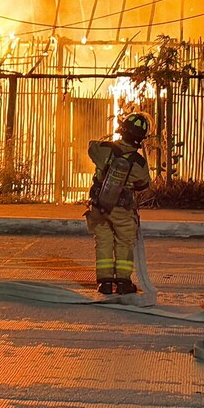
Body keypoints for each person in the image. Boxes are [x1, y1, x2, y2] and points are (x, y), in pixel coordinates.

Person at [86, 112, 153, 295]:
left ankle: (105, 283)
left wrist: (110, 144)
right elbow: (144, 183)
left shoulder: (105, 149)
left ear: (122, 131)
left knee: (103, 241)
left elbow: (91, 147)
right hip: (122, 210)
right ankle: (123, 283)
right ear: (140, 139)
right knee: (124, 242)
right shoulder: (139, 163)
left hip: (99, 207)